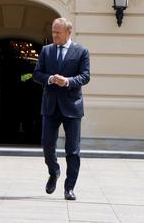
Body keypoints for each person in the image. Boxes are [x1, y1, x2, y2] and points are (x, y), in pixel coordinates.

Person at [32, 18, 90, 201]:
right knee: (47, 146)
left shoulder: (81, 51)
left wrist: (69, 81)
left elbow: (85, 76)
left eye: (58, 32)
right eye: (53, 32)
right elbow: (37, 74)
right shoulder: (47, 51)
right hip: (50, 106)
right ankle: (54, 171)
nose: (54, 35)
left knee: (72, 150)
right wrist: (50, 79)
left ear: (68, 32)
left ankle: (69, 188)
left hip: (72, 107)